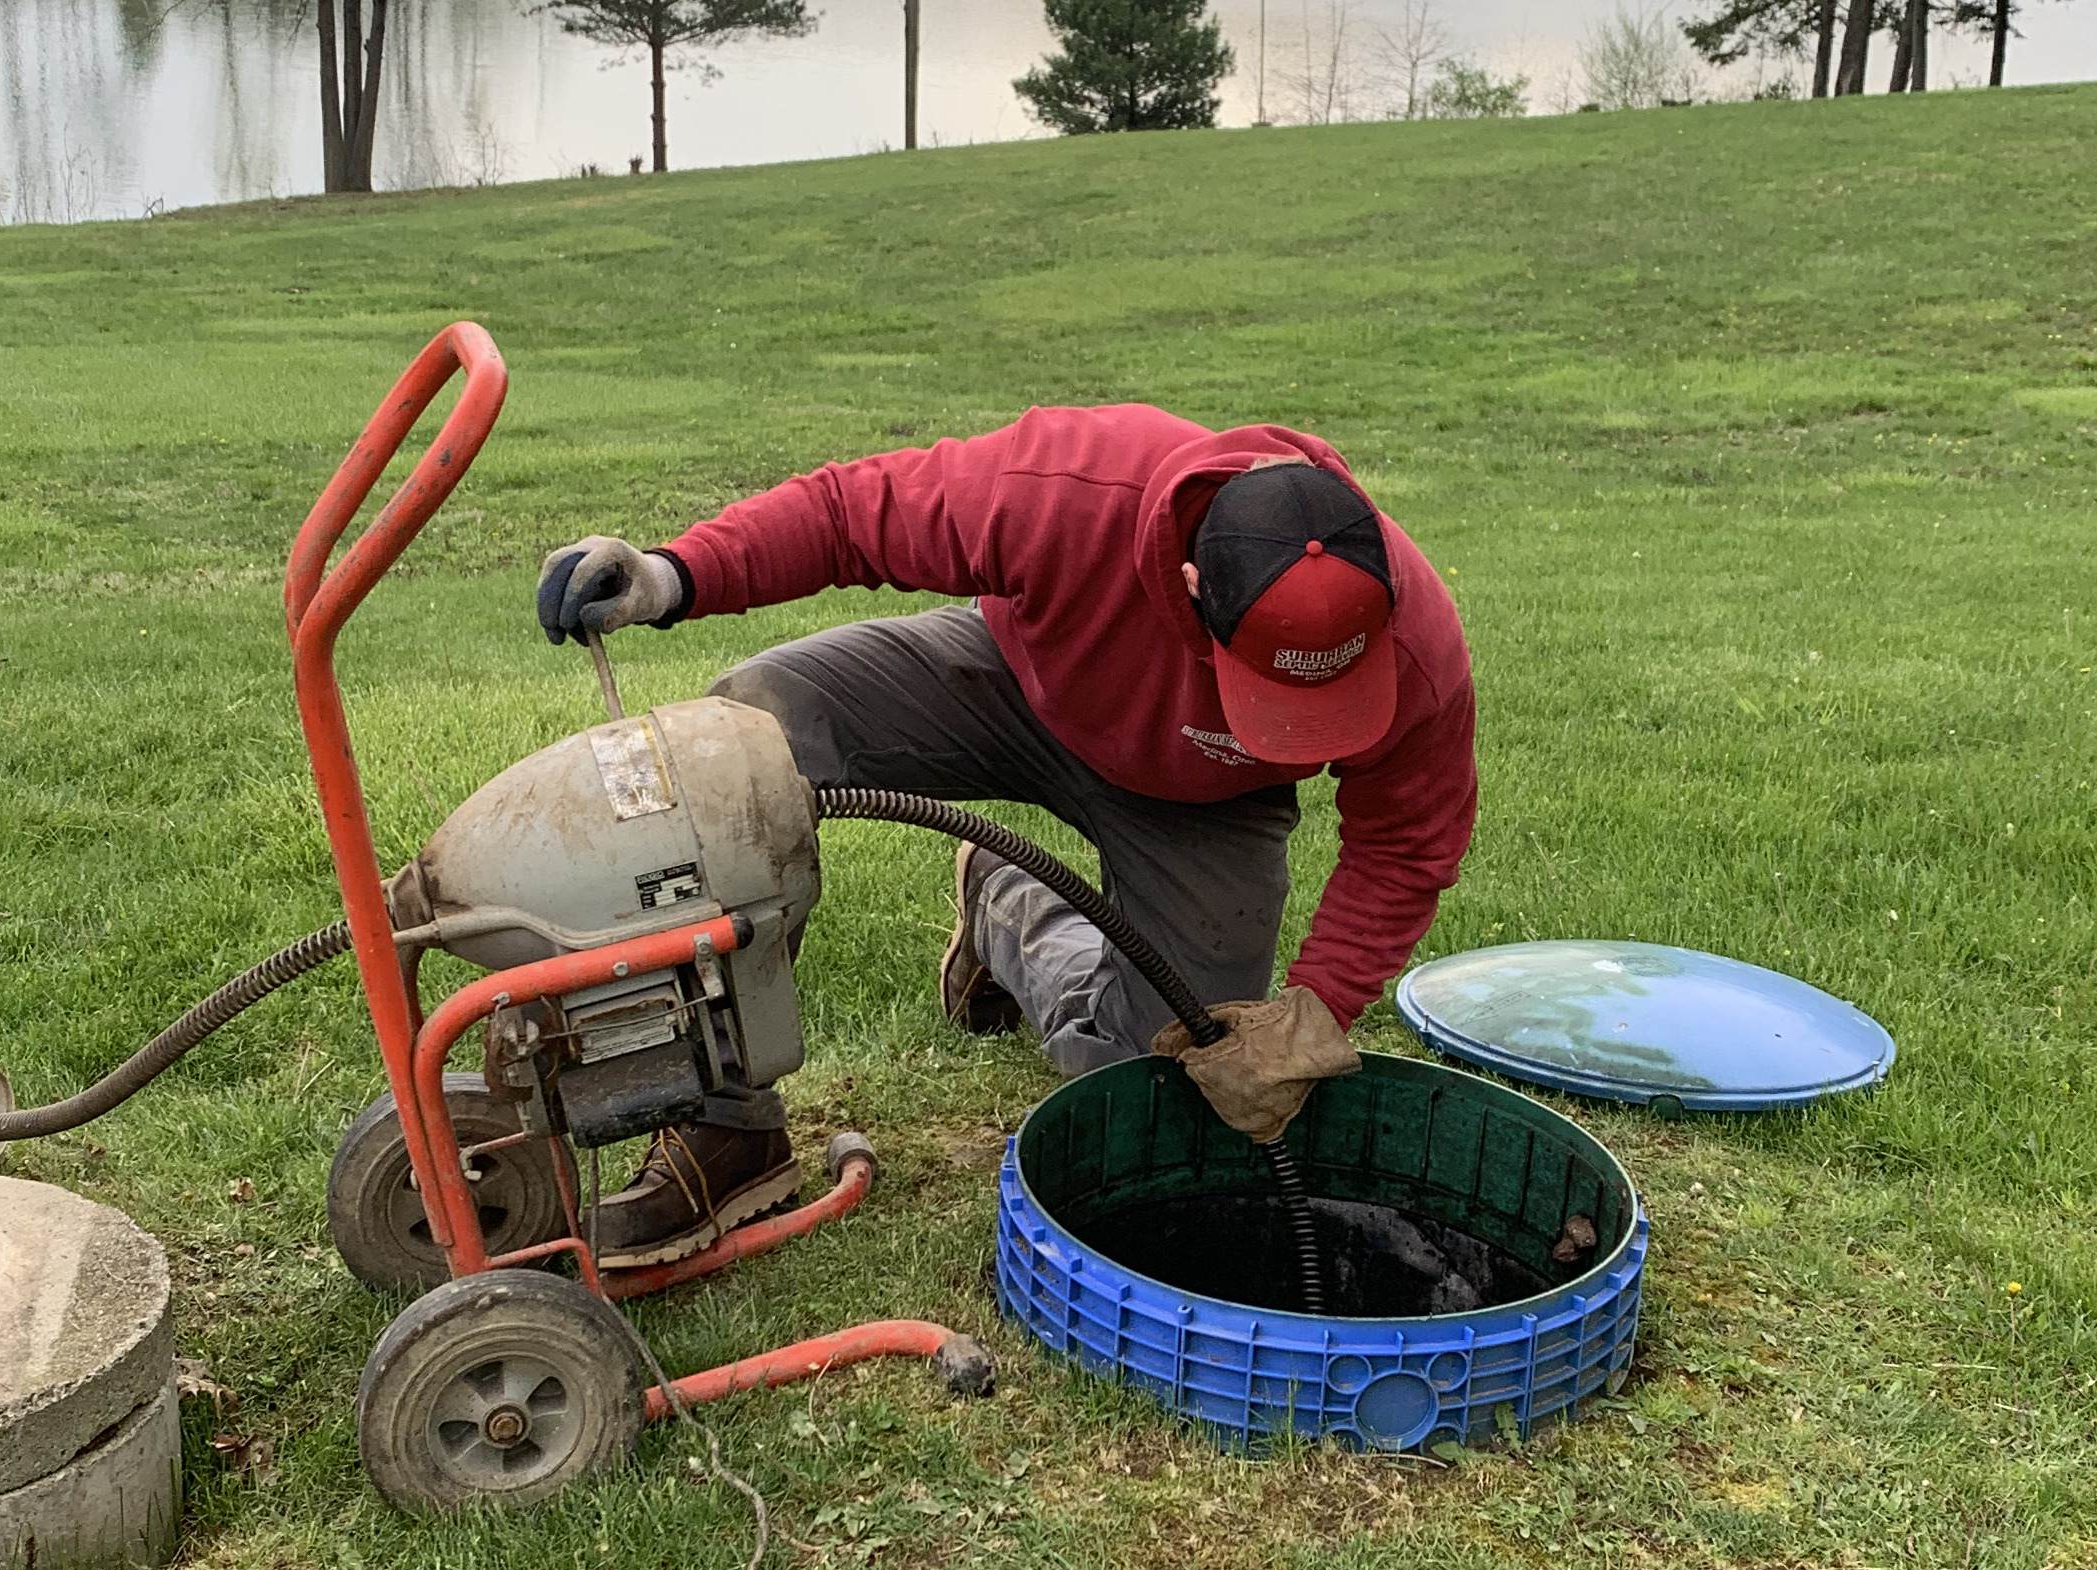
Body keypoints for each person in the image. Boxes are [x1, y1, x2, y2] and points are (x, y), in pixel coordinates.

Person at [536, 405, 1478, 1267]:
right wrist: (672, 574)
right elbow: (851, 513)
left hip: (1206, 802)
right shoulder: (1073, 491)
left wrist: (1316, 1012)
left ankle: (1010, 904)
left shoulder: (1416, 644)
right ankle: (726, 1126)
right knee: (752, 731)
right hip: (1014, 690)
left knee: (1158, 1086)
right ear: (1190, 588)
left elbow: (1406, 846)